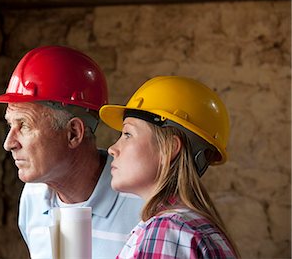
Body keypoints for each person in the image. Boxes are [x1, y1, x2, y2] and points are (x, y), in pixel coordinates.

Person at [0, 46, 144, 259]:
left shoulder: (144, 206)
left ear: (73, 133)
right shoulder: (33, 197)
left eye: (24, 125)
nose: (9, 143)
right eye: (10, 125)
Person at [99, 76, 240, 258]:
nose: (112, 149)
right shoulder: (192, 226)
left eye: (127, 134)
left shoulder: (167, 232)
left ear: (170, 148)